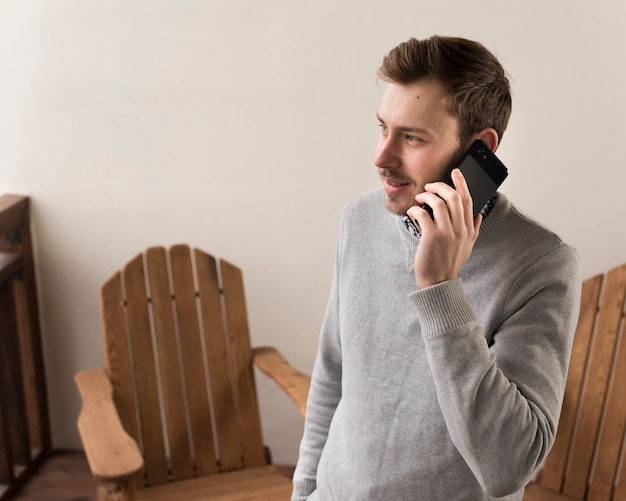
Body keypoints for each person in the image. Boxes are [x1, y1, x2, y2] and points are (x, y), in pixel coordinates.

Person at [291, 35, 581, 500]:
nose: (382, 158)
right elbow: (333, 370)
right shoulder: (359, 220)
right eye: (383, 128)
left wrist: (441, 288)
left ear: (479, 150)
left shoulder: (541, 265)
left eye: (411, 137)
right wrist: (304, 491)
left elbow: (509, 466)